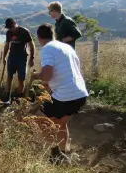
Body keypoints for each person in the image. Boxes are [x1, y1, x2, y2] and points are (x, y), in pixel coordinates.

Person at [32, 24, 89, 163]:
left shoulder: (47, 49)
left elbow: (46, 75)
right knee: (61, 123)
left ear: (39, 38)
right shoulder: (66, 47)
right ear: (54, 35)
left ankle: (55, 155)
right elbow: (68, 72)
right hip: (80, 94)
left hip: (65, 96)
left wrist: (35, 75)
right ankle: (63, 153)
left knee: (44, 121)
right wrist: (50, 84)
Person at [3, 18, 35, 98]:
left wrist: (31, 58)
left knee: (21, 78)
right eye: (9, 28)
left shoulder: (24, 31)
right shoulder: (8, 33)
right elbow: (7, 45)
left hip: (22, 58)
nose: (11, 29)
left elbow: (31, 45)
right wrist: (4, 57)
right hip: (12, 57)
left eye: (11, 27)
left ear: (15, 24)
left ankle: (19, 97)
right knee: (9, 76)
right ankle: (7, 96)